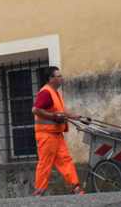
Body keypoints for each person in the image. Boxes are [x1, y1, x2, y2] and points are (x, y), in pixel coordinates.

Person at [31, 66, 86, 196]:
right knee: (45, 163)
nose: (61, 78)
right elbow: (35, 110)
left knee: (65, 160)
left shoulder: (55, 93)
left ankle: (76, 187)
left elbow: (61, 112)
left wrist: (77, 117)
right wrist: (54, 117)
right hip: (46, 135)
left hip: (56, 134)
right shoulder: (45, 92)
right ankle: (39, 190)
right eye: (59, 76)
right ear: (51, 79)